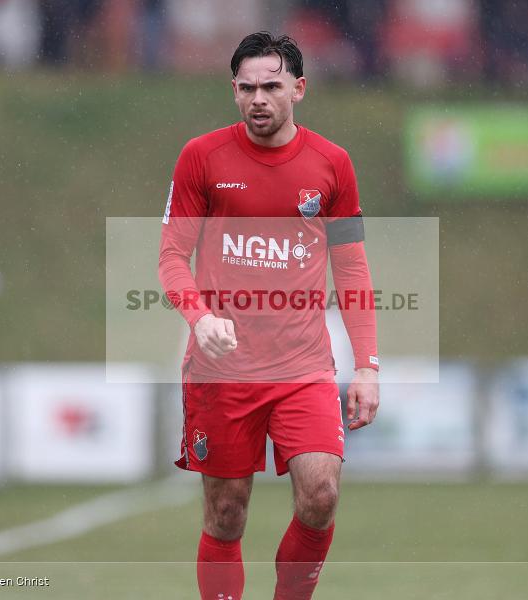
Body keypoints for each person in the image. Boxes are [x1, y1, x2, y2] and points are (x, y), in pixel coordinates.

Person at [158, 31, 379, 600]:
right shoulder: (201, 157)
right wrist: (199, 316)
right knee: (227, 514)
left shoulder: (333, 164)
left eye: (272, 86)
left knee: (322, 494)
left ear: (298, 89)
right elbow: (170, 258)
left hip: (302, 366)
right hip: (222, 372)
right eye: (247, 87)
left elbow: (351, 270)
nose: (258, 98)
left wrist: (369, 366)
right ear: (234, 90)